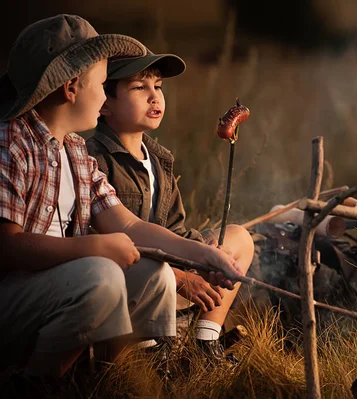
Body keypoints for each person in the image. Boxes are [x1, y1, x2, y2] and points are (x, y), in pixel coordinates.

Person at [0, 14, 247, 390]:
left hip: (57, 290)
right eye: (101, 84)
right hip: (14, 296)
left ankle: (113, 377)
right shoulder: (12, 143)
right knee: (100, 274)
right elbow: (7, 246)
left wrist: (204, 255)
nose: (102, 96)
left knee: (152, 275)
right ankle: (40, 381)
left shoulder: (75, 152)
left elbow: (129, 225)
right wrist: (95, 246)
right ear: (71, 88)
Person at [85, 49, 253, 358]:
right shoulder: (92, 160)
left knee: (238, 238)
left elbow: (174, 229)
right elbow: (97, 242)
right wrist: (179, 277)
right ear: (104, 103)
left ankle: (205, 343)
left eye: (158, 87)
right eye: (139, 87)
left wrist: (208, 254)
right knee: (157, 273)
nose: (154, 97)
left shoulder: (160, 160)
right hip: (128, 282)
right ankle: (150, 354)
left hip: (165, 271)